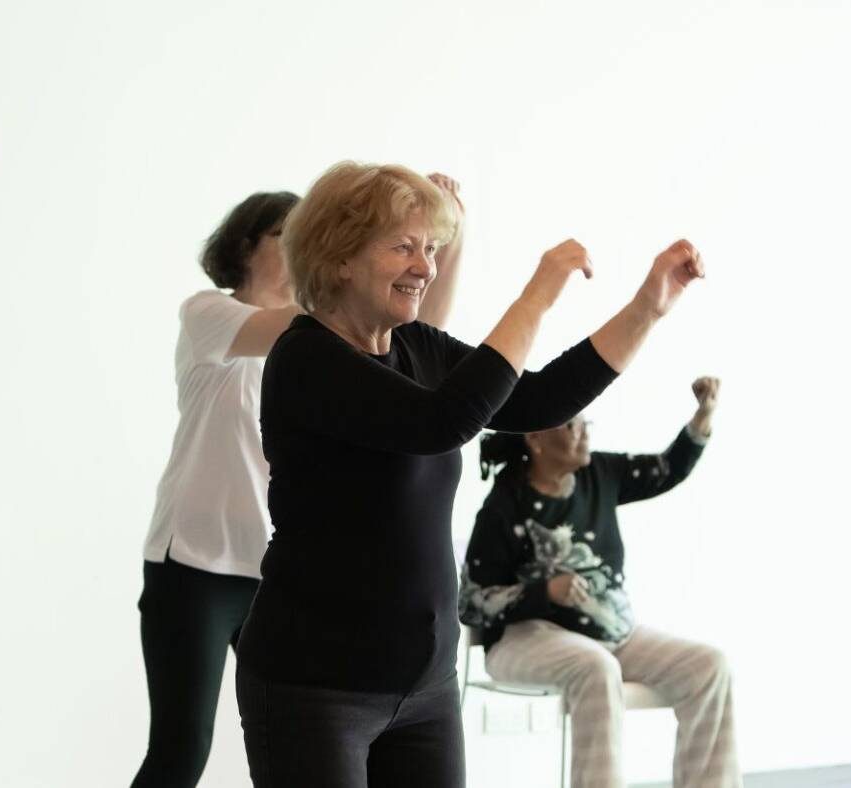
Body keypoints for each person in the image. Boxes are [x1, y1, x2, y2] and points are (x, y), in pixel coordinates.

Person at [234, 160, 706, 787]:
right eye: (404, 246)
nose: (426, 267)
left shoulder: (418, 347)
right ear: (340, 257)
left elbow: (535, 401)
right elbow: (443, 422)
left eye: (430, 248)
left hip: (424, 689)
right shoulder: (304, 359)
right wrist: (536, 296)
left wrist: (647, 309)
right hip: (315, 688)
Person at [132, 179, 466, 787]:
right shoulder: (211, 314)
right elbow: (322, 320)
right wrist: (371, 275)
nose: (300, 242)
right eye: (286, 232)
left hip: (275, 572)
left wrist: (447, 241)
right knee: (181, 751)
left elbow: (415, 352)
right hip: (197, 569)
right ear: (246, 243)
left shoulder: (339, 340)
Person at [460, 377, 740, 788]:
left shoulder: (601, 474)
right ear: (536, 437)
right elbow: (471, 602)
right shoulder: (503, 507)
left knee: (709, 667)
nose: (585, 431)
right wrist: (544, 591)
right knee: (595, 667)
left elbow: (667, 469)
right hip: (526, 640)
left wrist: (703, 416)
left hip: (613, 633)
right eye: (573, 425)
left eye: (586, 423)